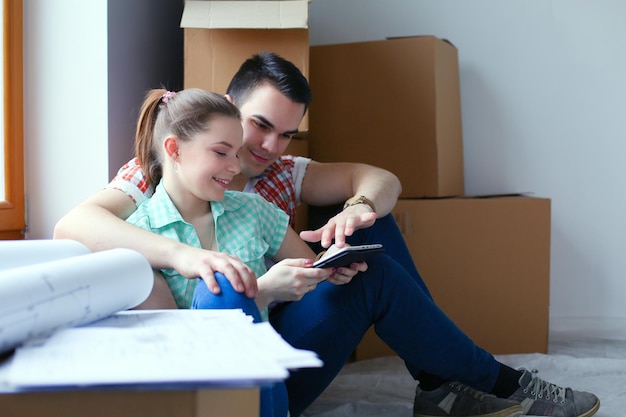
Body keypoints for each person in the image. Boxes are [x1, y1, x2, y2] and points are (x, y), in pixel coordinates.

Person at [54, 53, 600, 417]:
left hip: (283, 325)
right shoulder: (150, 181)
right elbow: (74, 225)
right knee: (219, 289)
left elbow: (380, 180)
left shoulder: (273, 184)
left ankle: (451, 382)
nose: (268, 145)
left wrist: (349, 222)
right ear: (222, 113)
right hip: (217, 346)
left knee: (372, 229)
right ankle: (461, 380)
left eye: (286, 133)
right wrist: (190, 257)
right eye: (257, 126)